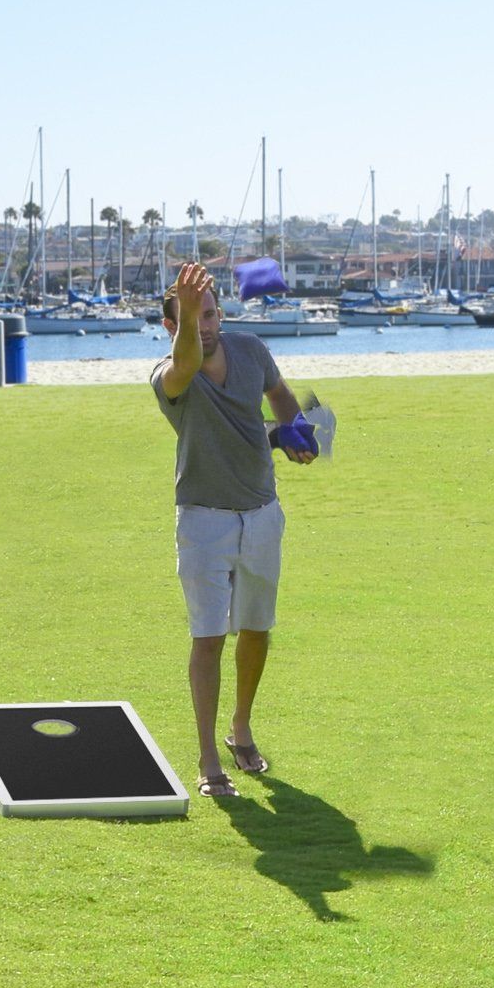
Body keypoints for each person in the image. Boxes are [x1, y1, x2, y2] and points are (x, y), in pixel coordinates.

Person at [151, 262, 314, 798]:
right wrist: (191, 319)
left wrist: (295, 432)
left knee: (257, 630)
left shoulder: (251, 348)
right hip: (203, 521)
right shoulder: (168, 376)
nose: (208, 324)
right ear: (173, 329)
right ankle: (206, 760)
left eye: (213, 312)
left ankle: (240, 726)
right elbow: (189, 362)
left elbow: (281, 394)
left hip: (263, 513)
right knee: (208, 637)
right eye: (196, 317)